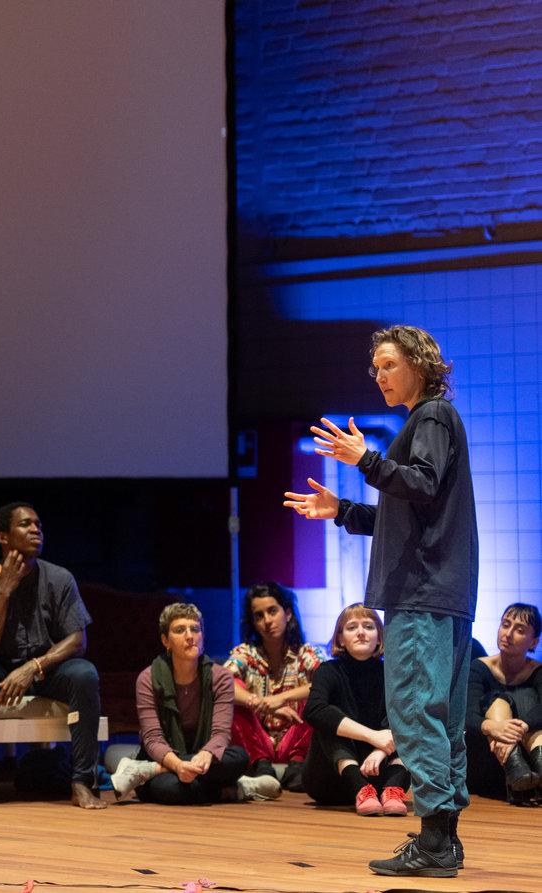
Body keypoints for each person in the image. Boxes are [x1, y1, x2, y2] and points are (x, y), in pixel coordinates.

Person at [286, 324, 477, 878]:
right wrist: (342, 510)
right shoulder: (431, 420)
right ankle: (443, 840)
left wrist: (365, 458)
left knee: (416, 712)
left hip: (423, 591)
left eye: (388, 364)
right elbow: (406, 511)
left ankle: (436, 841)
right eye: (375, 368)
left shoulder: (431, 416)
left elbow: (419, 483)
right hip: (441, 590)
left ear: (419, 364)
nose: (379, 375)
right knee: (436, 717)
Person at [0, 502, 104, 811]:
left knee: (85, 673)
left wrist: (34, 667)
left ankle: (81, 782)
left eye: (38, 524)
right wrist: (3, 593)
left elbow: (77, 640)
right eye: (25, 524)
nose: (36, 529)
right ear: (3, 537)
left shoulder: (60, 578)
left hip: (47, 669)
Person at [111, 602, 276, 805]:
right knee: (172, 789)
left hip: (204, 756)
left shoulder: (220, 677)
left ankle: (145, 771)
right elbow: (153, 739)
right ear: (166, 640)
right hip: (164, 756)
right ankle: (239, 789)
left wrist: (206, 754)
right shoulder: (148, 678)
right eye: (180, 630)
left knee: (239, 758)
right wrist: (177, 765)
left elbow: (220, 734)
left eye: (195, 629)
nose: (190, 636)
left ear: (202, 637)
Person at [300, 604, 411, 815]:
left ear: (379, 636)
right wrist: (372, 737)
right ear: (341, 639)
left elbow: (407, 717)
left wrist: (382, 749)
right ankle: (360, 789)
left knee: (414, 721)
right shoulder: (328, 671)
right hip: (331, 781)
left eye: (368, 626)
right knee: (327, 718)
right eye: (352, 627)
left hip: (381, 774)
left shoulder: (394, 674)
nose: (360, 632)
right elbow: (313, 710)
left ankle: (394, 789)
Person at [225, 581, 323, 789]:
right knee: (232, 691)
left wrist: (281, 698)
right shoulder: (246, 653)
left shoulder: (305, 652)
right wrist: (260, 703)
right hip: (258, 744)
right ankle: (262, 767)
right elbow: (222, 684)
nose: (267, 621)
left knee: (320, 697)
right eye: (259, 616)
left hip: (296, 742)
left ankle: (296, 767)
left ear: (287, 613)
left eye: (272, 611)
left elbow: (328, 682)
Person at [466, 603, 542, 802]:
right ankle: (515, 768)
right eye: (505, 625)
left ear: (533, 642)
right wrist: (493, 727)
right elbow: (468, 715)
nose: (508, 634)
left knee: (528, 703)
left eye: (519, 630)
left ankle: (524, 773)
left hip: (528, 754)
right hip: (487, 758)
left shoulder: (538, 671)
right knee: (497, 702)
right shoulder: (479, 667)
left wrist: (521, 726)